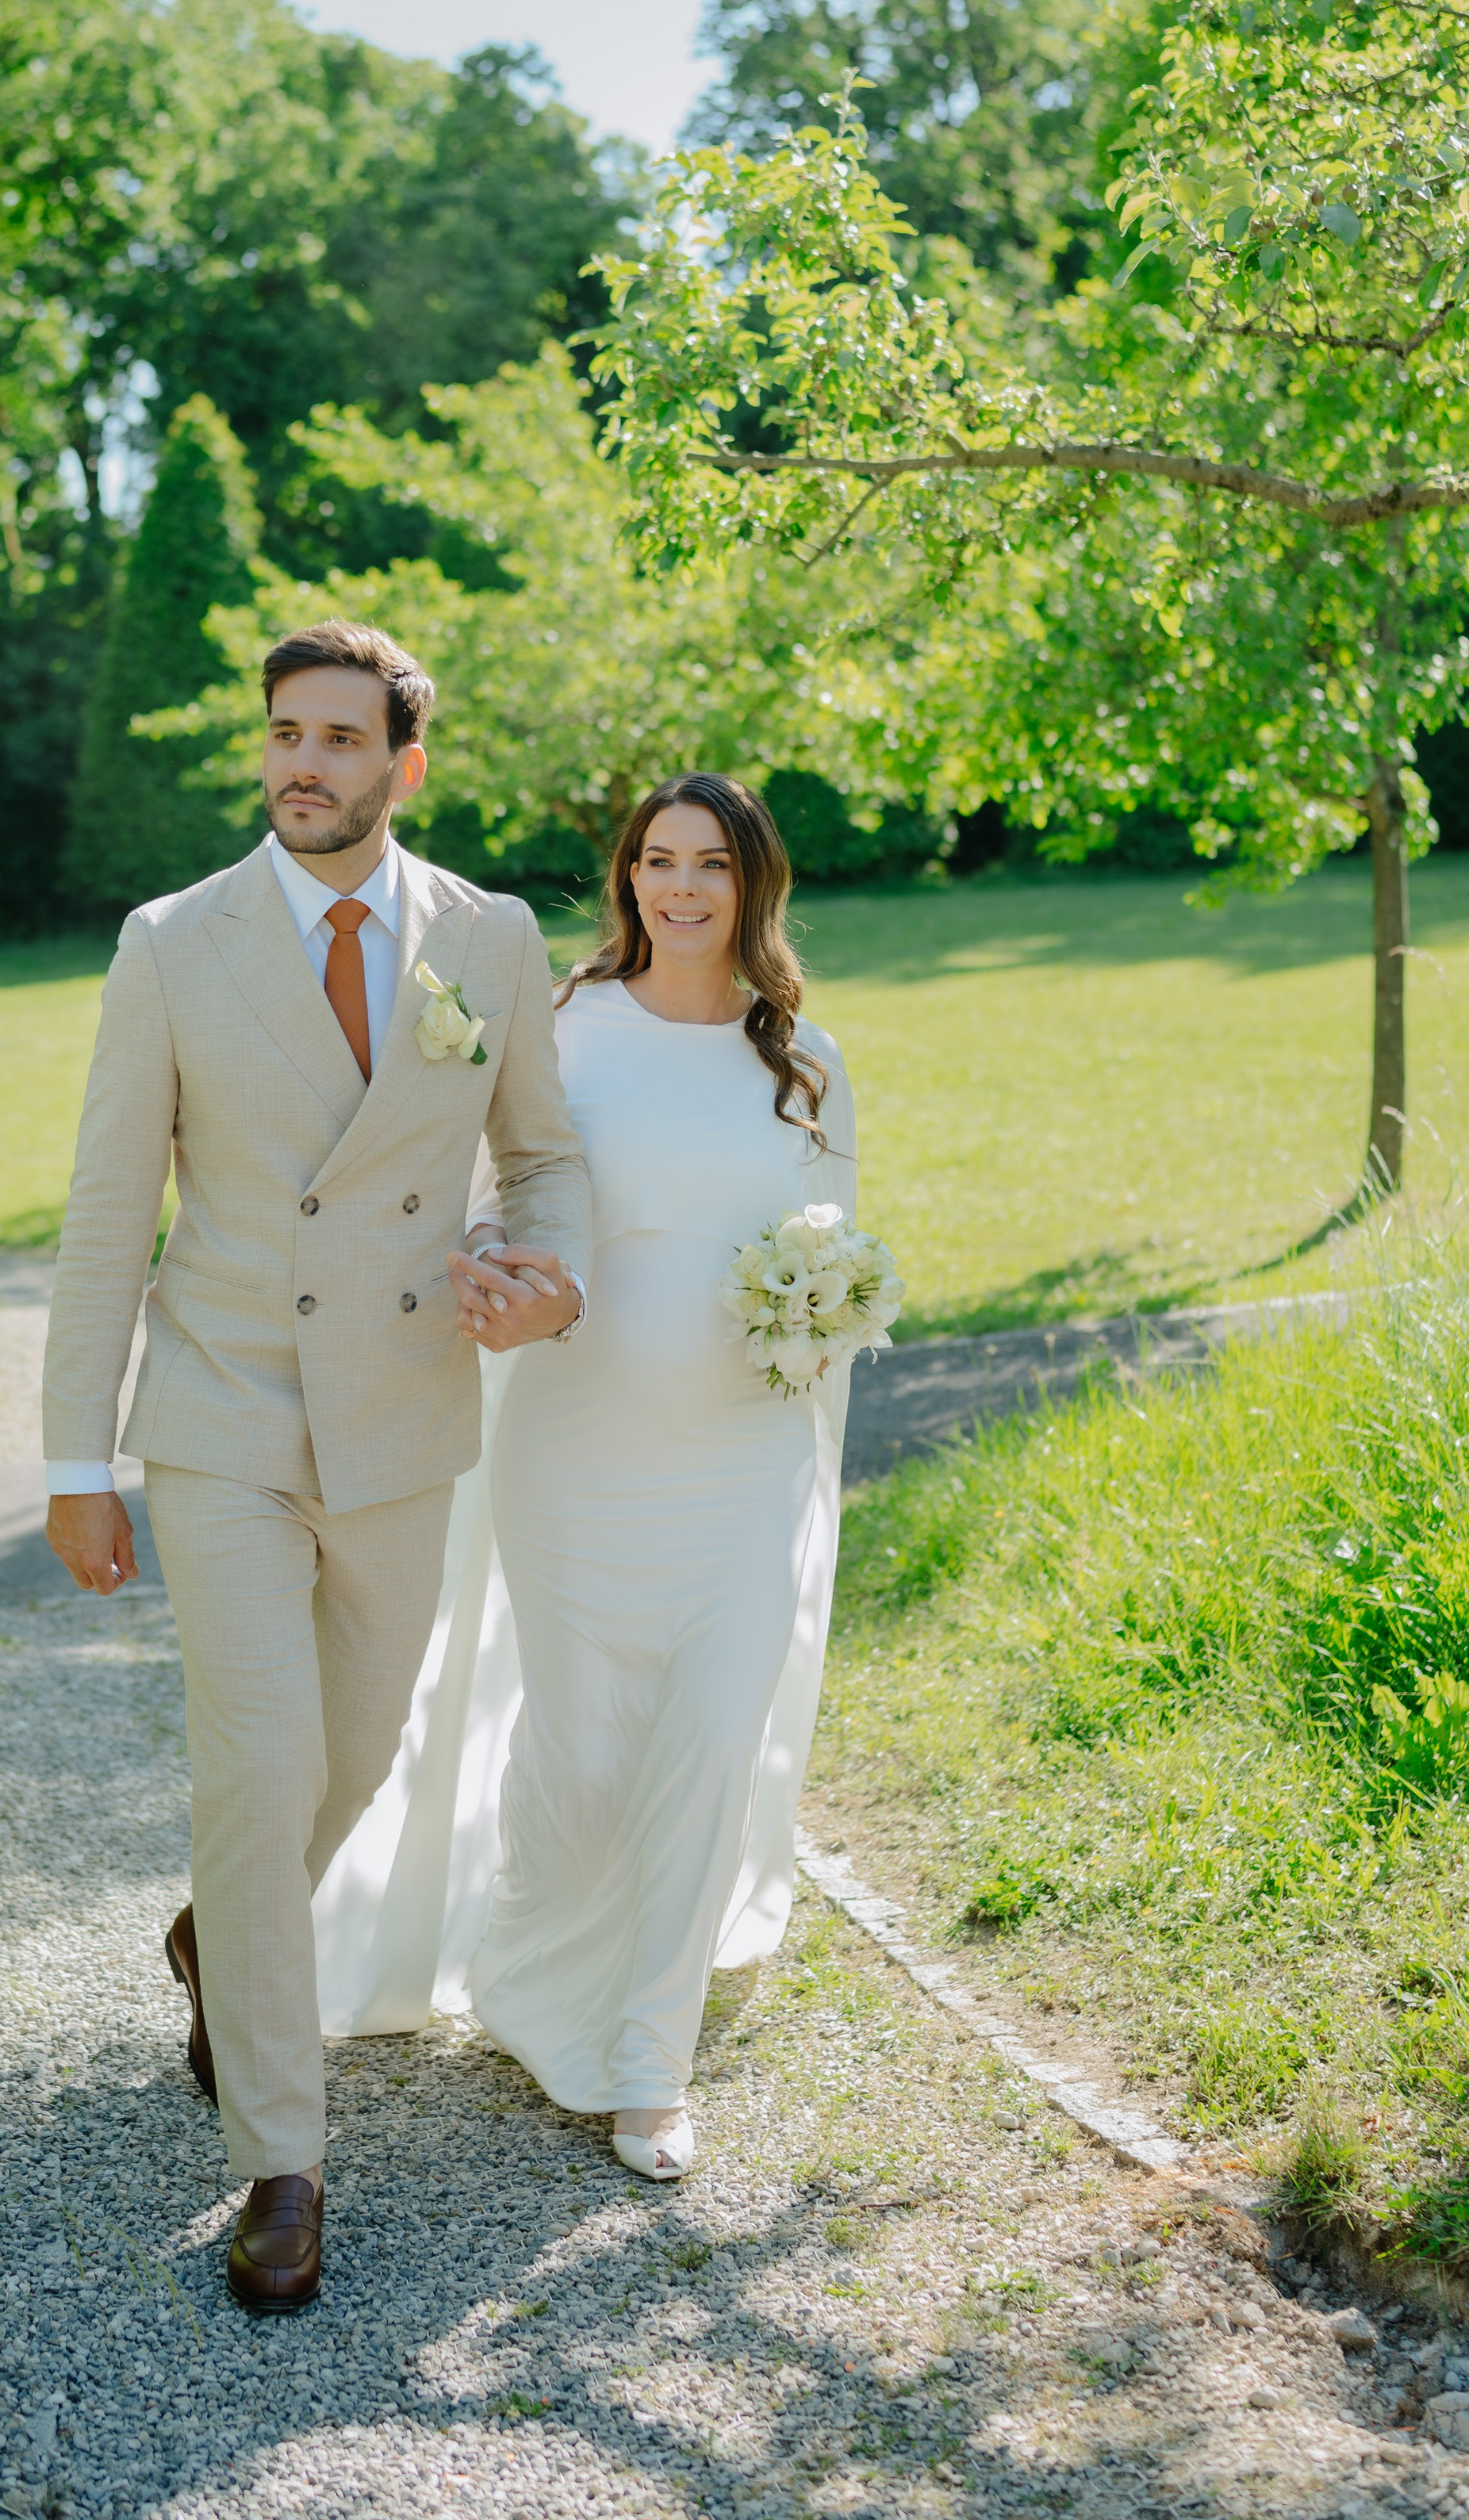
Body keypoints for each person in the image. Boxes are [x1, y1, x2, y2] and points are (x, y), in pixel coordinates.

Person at [40, 619, 592, 2311]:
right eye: (286, 733)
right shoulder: (171, 943)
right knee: (263, 1766)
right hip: (218, 1410)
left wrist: (543, 1277)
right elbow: (103, 1211)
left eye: (341, 740)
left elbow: (543, 1159)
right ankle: (279, 2162)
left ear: (401, 766)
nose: (304, 763)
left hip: (404, 1413)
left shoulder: (483, 940)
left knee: (349, 1759)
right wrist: (76, 1453)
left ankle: (224, 1933)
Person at [313, 773, 861, 2181]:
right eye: (655, 863)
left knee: (710, 1743)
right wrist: (497, 1274)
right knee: (586, 1755)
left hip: (741, 1458)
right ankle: (536, 1976)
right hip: (578, 1451)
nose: (679, 890)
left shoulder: (803, 1061)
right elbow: (491, 1201)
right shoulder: (561, 1030)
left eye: (710, 868)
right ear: (626, 881)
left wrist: (822, 1314)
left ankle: (648, 2067)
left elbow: (834, 1242)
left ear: (754, 888)